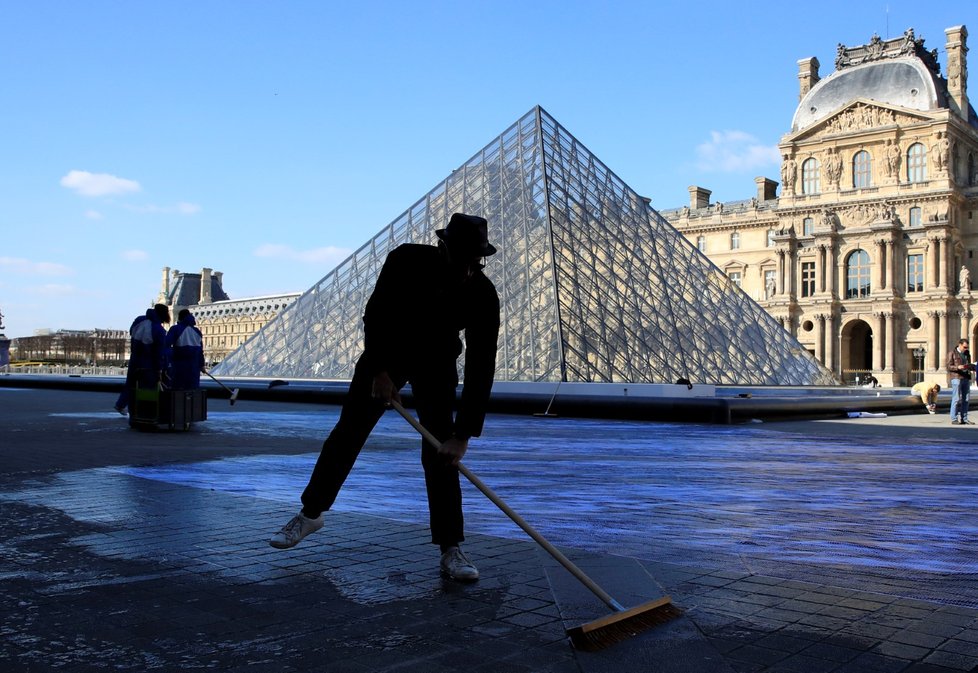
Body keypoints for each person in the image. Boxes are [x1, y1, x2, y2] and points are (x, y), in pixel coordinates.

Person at [269, 213, 501, 582]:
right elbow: (376, 314)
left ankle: (451, 547)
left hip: (438, 362)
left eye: (476, 260)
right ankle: (310, 514)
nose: (469, 267)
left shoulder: (483, 293)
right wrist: (379, 371)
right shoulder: (406, 259)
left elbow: (481, 364)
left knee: (440, 453)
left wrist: (463, 435)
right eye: (462, 258)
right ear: (443, 247)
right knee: (348, 434)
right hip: (388, 351)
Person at [114, 304, 171, 414]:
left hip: (135, 357)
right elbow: (158, 353)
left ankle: (122, 405)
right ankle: (143, 412)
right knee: (147, 388)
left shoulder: (139, 320)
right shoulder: (159, 330)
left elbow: (131, 332)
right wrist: (159, 368)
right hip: (148, 363)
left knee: (130, 384)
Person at [166, 309, 204, 389]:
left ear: (179, 318)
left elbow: (166, 344)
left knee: (178, 392)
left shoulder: (175, 329)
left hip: (179, 366)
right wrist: (202, 365)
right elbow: (200, 352)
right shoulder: (197, 332)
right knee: (192, 392)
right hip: (194, 367)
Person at [946, 338, 973, 425]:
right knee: (956, 398)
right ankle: (954, 419)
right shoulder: (952, 353)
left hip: (965, 378)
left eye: (967, 347)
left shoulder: (967, 354)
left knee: (966, 399)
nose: (966, 349)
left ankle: (964, 419)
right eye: (964, 347)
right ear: (960, 345)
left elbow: (968, 364)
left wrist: (972, 367)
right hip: (956, 378)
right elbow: (948, 366)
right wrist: (957, 367)